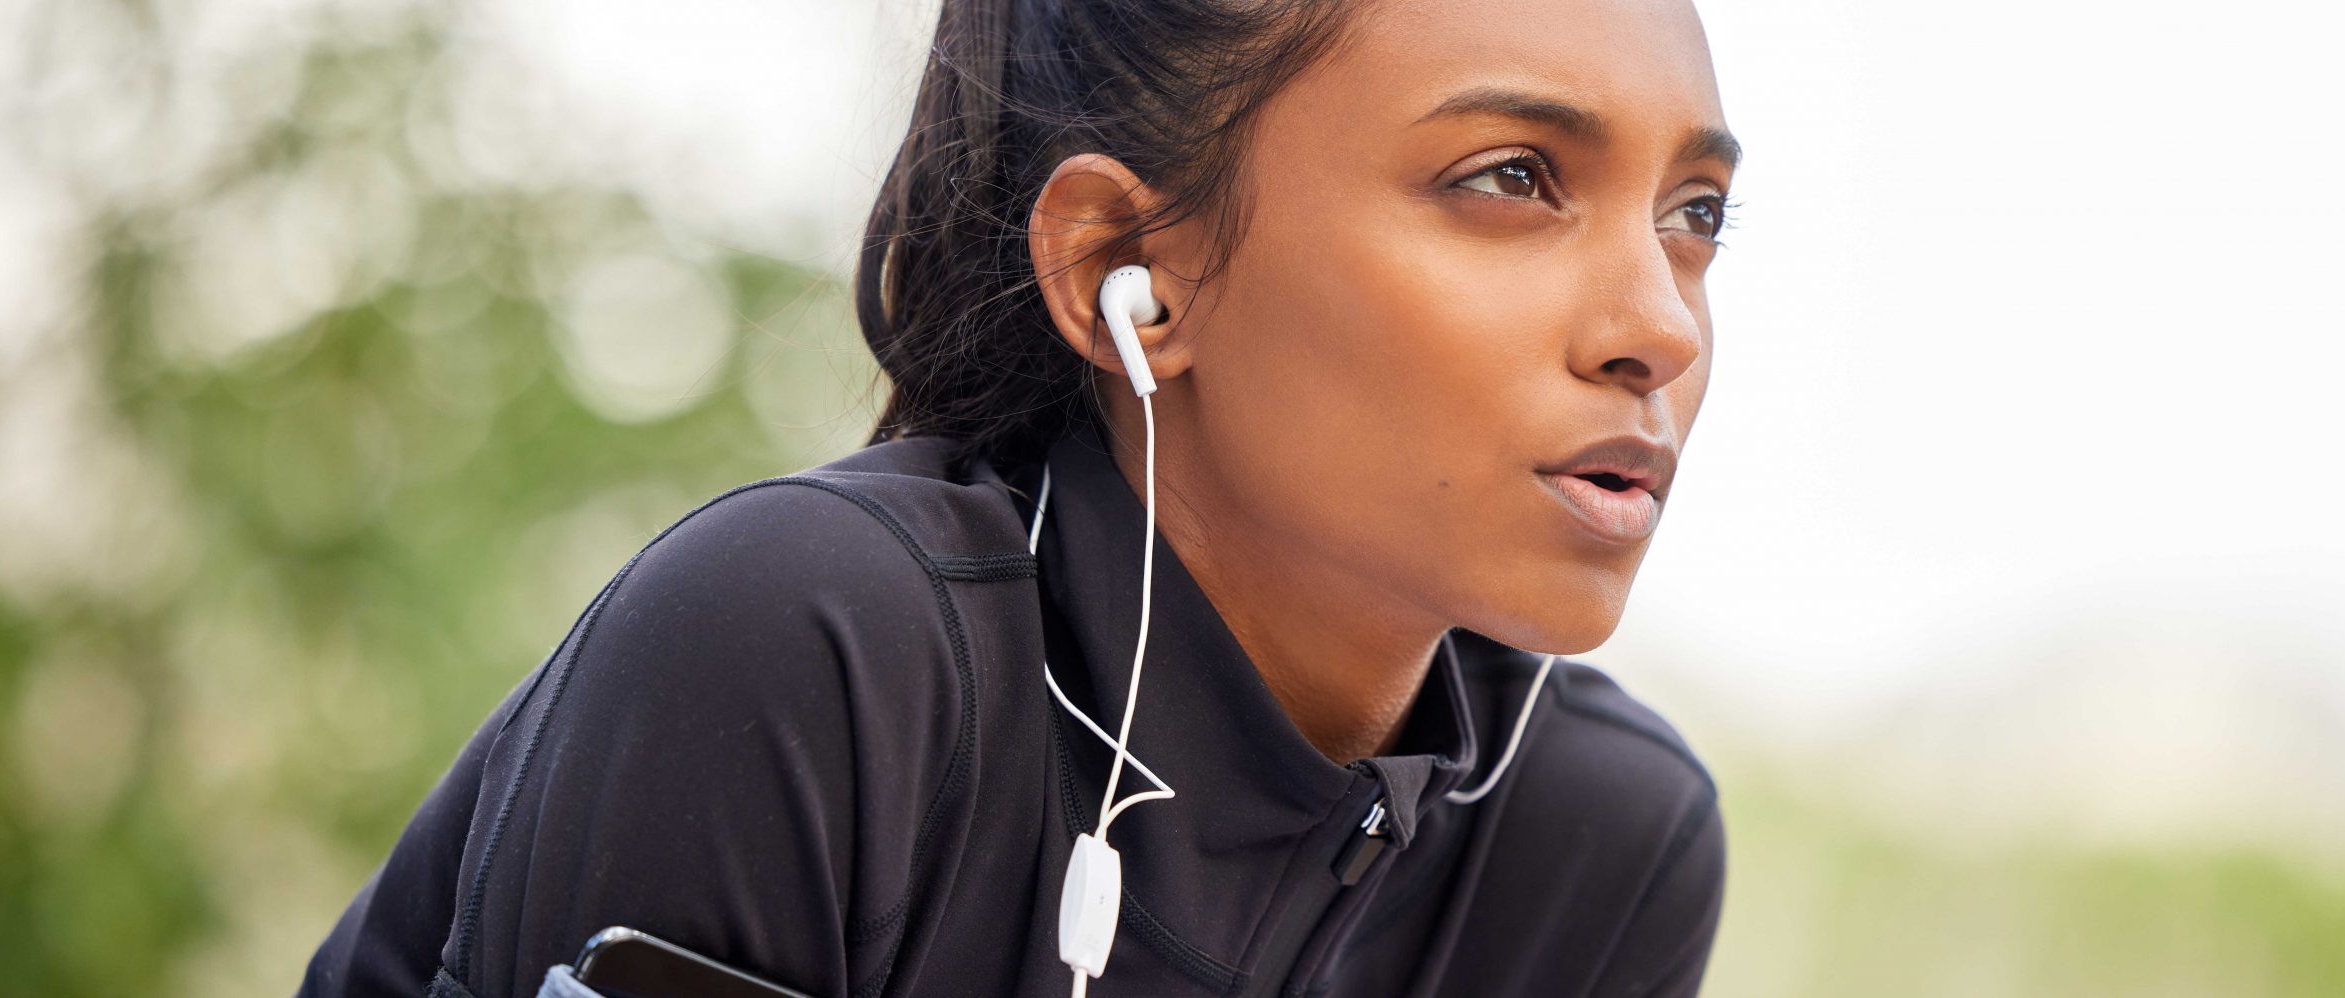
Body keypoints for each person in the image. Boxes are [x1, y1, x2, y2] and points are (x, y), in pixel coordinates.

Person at [299, 0, 1738, 994]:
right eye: (1511, 177)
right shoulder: (818, 656)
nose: (1661, 325)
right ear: (1127, 269)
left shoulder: (1595, 842)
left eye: (1695, 215)